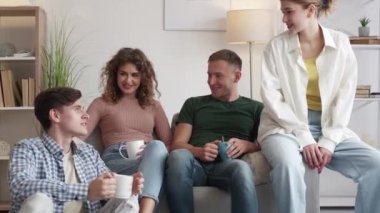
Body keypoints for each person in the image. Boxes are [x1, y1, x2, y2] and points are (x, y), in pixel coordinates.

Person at [258, 0, 380, 213]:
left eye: (289, 12)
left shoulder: (341, 44)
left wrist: (329, 141)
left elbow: (345, 97)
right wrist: (305, 139)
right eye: (283, 12)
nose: (284, 19)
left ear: (311, 10)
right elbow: (273, 98)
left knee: (376, 165)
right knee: (288, 166)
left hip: (329, 126)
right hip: (283, 126)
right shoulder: (275, 47)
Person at [8, 87, 144, 213]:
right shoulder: (27, 148)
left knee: (129, 200)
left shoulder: (89, 152)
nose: (86, 115)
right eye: (78, 109)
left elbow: (108, 190)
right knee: (39, 201)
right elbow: (20, 186)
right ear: (55, 115)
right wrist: (87, 190)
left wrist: (125, 187)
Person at [165, 49, 263, 213]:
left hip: (227, 167)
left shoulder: (255, 108)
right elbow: (177, 145)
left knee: (241, 168)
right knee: (178, 156)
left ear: (237, 76)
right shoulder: (193, 104)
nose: (211, 81)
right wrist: (199, 151)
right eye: (209, 75)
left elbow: (266, 143)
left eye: (218, 76)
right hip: (195, 166)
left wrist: (247, 145)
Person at [85, 48, 171, 213]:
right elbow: (78, 136)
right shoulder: (101, 103)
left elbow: (169, 144)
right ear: (114, 75)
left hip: (147, 160)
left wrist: (151, 152)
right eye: (123, 74)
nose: (128, 80)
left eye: (135, 75)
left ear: (143, 77)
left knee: (158, 146)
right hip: (116, 160)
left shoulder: (153, 106)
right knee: (155, 160)